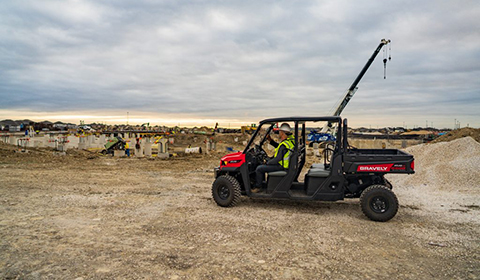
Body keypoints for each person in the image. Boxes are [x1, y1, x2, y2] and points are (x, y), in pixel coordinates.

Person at [253, 123, 295, 192]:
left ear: (282, 133)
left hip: (281, 166)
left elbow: (277, 159)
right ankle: (262, 183)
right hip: (286, 165)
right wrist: (270, 141)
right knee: (263, 166)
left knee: (259, 169)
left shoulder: (284, 144)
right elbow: (280, 148)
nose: (278, 133)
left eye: (279, 131)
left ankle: (258, 187)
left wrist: (267, 162)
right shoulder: (290, 141)